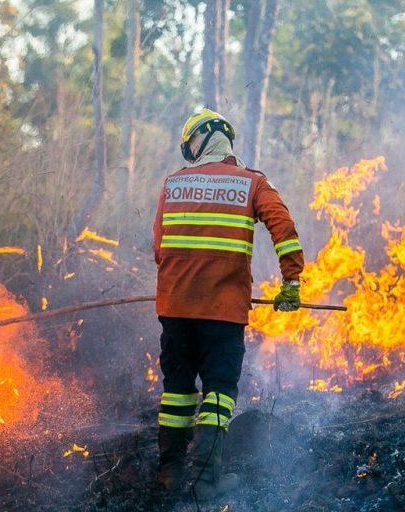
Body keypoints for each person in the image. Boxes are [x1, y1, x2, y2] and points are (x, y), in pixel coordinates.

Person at [153, 108, 304, 498]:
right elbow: (283, 227)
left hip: (174, 309)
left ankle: (168, 478)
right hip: (222, 311)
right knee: (219, 391)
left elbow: (159, 248)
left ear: (198, 140)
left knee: (177, 391)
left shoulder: (173, 184)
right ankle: (206, 483)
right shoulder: (253, 182)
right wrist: (291, 279)